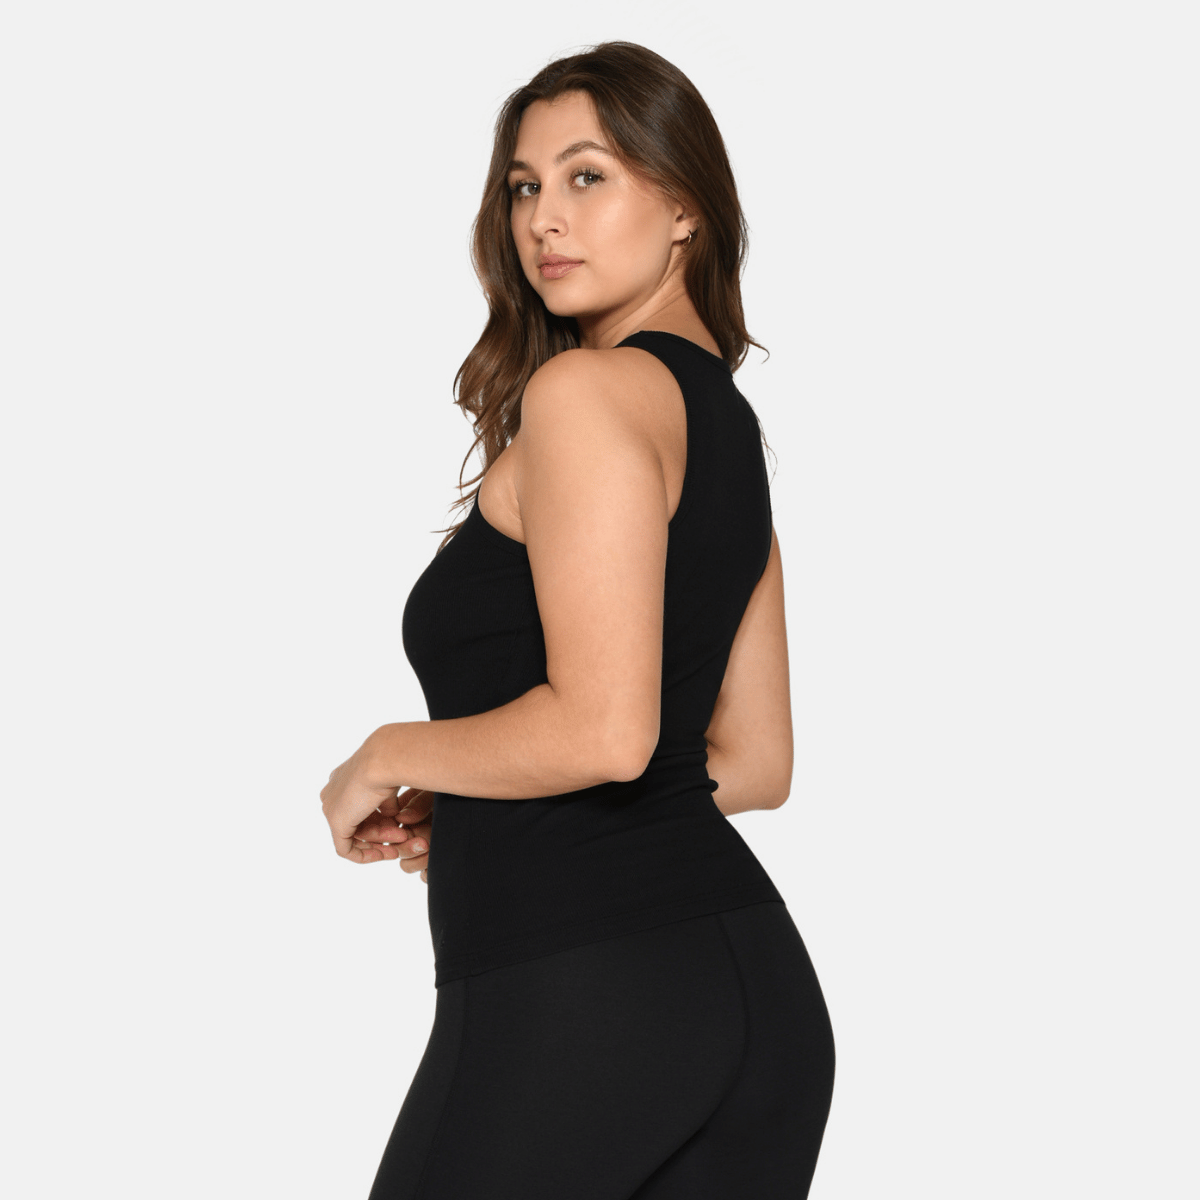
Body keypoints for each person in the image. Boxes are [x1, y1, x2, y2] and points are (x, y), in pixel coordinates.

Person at [320, 40, 836, 1200]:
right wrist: (487, 799)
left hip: (587, 995)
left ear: (686, 207)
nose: (543, 217)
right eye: (523, 186)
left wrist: (390, 755)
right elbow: (754, 760)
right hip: (753, 1005)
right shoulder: (727, 433)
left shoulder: (584, 396)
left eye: (587, 175)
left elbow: (605, 732)